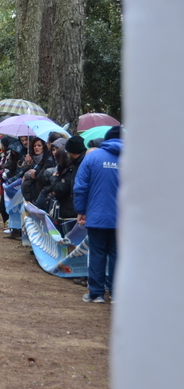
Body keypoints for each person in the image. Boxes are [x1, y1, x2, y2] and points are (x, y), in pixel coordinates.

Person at [74, 126, 122, 304]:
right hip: (123, 219)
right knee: (117, 254)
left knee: (97, 253)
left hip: (97, 215)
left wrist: (81, 210)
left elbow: (80, 187)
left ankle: (96, 293)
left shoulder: (93, 157)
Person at [49, 136, 87, 220]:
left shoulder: (77, 166)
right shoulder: (79, 163)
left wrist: (54, 178)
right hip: (75, 210)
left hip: (74, 212)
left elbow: (62, 189)